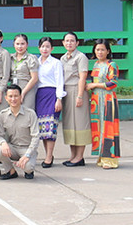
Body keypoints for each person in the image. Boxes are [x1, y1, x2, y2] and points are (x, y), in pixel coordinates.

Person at [88, 39, 120, 169]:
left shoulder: (112, 65)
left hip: (108, 99)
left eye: (102, 49)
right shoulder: (95, 64)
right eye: (97, 49)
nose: (100, 52)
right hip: (96, 100)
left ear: (108, 51)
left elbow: (113, 83)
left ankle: (110, 159)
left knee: (108, 129)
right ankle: (102, 156)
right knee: (98, 128)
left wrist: (95, 85)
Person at [0, 84, 39, 180]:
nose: (13, 99)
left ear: (20, 97)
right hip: (13, 148)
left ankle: (28, 170)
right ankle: (11, 171)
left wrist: (27, 155)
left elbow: (36, 137)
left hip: (27, 149)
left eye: (16, 96)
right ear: (6, 98)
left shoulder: (30, 114)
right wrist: (3, 143)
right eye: (10, 96)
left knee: (28, 167)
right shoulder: (2, 115)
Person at [60, 31, 91, 166]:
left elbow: (82, 77)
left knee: (79, 123)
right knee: (69, 124)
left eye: (72, 41)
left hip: (77, 90)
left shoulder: (81, 57)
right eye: (67, 41)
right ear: (63, 43)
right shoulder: (63, 58)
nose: (69, 43)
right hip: (66, 91)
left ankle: (79, 157)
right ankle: (72, 156)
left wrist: (79, 95)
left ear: (77, 43)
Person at [35, 37, 65, 168]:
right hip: (39, 95)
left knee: (51, 127)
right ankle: (48, 154)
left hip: (52, 95)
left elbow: (60, 81)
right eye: (42, 46)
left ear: (52, 48)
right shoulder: (36, 62)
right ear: (39, 48)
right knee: (43, 128)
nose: (45, 49)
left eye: (47, 47)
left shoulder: (56, 63)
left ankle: (49, 156)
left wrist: (59, 98)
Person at [5, 34, 39, 111]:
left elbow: (34, 78)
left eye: (22, 44)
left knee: (26, 112)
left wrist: (22, 93)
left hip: (26, 88)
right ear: (14, 45)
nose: (20, 47)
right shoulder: (10, 58)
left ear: (27, 45)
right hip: (13, 88)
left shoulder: (31, 58)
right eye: (17, 44)